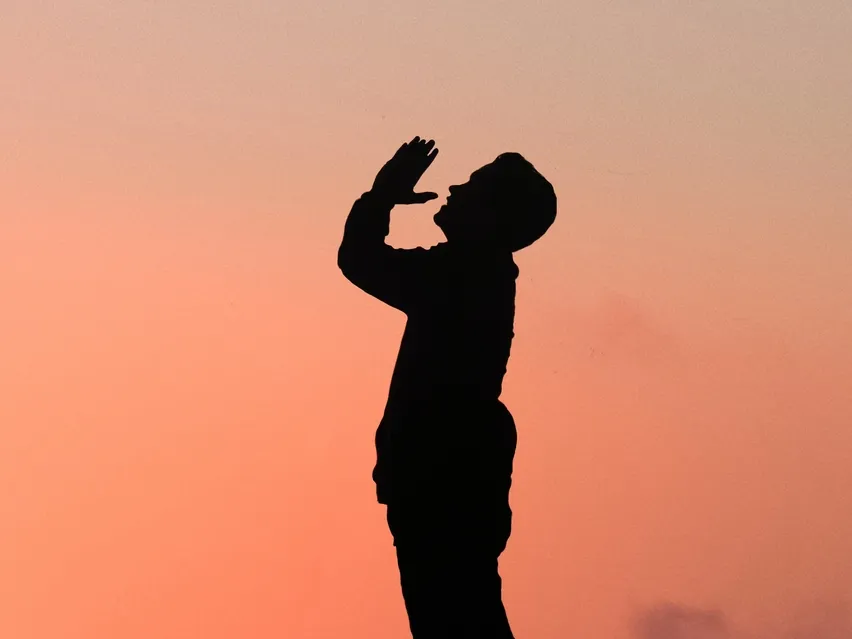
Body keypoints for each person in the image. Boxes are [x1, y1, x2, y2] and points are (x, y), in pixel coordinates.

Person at [338, 136, 556, 638]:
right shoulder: (473, 272)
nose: (455, 188)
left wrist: (382, 196)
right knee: (461, 609)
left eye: (473, 187)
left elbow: (360, 260)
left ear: (492, 218)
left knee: (454, 615)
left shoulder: (461, 274)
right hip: (449, 468)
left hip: (441, 471)